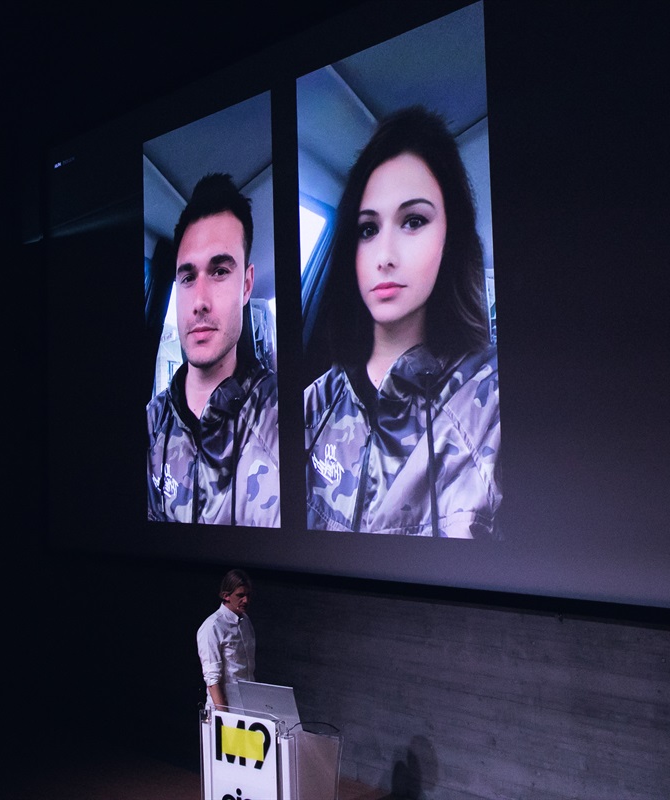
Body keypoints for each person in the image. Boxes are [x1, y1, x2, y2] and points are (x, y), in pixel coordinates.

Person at [304, 107, 501, 537]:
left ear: (451, 237)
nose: (384, 255)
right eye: (367, 229)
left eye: (413, 221)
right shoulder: (312, 407)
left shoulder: (493, 404)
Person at [147, 174, 280, 526]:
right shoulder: (149, 426)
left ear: (246, 285)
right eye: (188, 277)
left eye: (220, 271)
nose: (199, 302)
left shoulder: (289, 420)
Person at [196, 569, 256, 710]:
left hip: (247, 706)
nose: (246, 600)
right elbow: (212, 679)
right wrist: (224, 715)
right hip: (224, 708)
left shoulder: (245, 621)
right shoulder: (212, 626)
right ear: (226, 595)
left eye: (248, 595)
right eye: (240, 595)